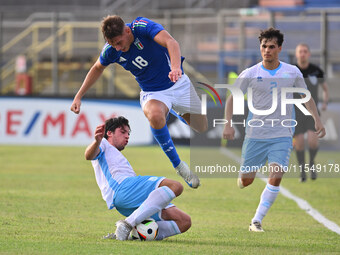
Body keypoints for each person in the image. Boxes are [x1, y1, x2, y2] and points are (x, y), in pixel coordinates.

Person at [70, 15, 208, 189]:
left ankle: (176, 111)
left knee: (202, 127)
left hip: (177, 83)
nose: (117, 48)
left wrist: (175, 67)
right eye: (113, 44)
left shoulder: (142, 27)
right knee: (156, 115)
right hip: (153, 93)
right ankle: (179, 166)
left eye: (119, 42)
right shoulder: (111, 50)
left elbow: (171, 43)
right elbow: (97, 68)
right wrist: (79, 95)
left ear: (127, 31)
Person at [223, 28, 326, 232]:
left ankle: (256, 220)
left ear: (279, 48)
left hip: (282, 134)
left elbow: (306, 97)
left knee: (277, 174)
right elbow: (231, 99)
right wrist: (227, 123)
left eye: (271, 47)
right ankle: (243, 178)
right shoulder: (251, 73)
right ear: (260, 48)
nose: (267, 50)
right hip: (256, 134)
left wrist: (316, 119)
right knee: (247, 180)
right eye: (264, 46)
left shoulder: (292, 72)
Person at [85, 116, 191, 241]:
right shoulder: (103, 144)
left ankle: (133, 235)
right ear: (109, 133)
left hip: (131, 199)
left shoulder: (117, 155)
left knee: (184, 221)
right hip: (123, 189)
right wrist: (97, 141)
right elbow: (89, 155)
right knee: (175, 186)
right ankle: (127, 224)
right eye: (122, 132)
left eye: (128, 133)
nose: (127, 136)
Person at [294, 43, 329, 182]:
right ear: (297, 54)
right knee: (300, 142)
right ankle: (302, 170)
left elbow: (325, 88)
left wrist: (325, 102)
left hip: (312, 111)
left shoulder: (316, 70)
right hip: (296, 111)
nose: (302, 54)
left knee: (313, 142)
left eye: (305, 51)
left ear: (308, 54)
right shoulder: (292, 70)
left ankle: (312, 163)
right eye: (300, 51)